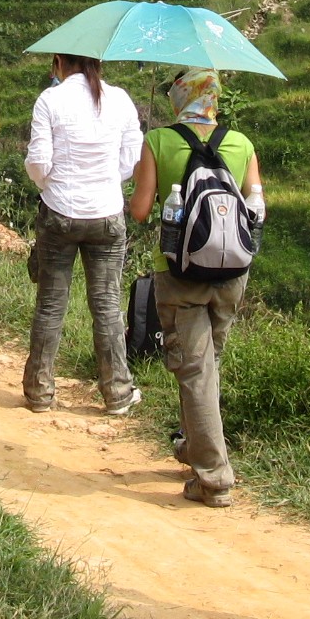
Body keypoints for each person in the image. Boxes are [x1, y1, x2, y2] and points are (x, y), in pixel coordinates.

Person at [127, 66, 264, 507]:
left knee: (195, 369)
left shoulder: (160, 141)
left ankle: (214, 477)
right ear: (215, 97)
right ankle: (192, 445)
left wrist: (141, 176)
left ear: (179, 97)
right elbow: (256, 205)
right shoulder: (241, 143)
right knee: (207, 365)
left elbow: (141, 211)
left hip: (178, 272)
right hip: (231, 273)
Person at [22, 53, 142, 415]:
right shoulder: (120, 99)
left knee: (50, 304)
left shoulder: (50, 99)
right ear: (98, 62)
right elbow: (129, 161)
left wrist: (53, 187)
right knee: (107, 305)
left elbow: (39, 164)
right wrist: (103, 183)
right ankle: (118, 393)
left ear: (59, 61)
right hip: (106, 216)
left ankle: (39, 393)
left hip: (59, 214)